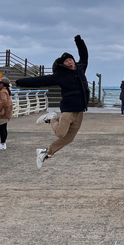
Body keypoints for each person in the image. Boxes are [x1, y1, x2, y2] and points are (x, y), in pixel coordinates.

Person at [16, 35, 89, 169]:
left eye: (71, 59)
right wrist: (20, 82)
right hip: (69, 110)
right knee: (61, 133)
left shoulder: (80, 69)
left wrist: (79, 41)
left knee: (68, 138)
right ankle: (53, 118)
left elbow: (84, 55)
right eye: (66, 61)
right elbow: (40, 81)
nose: (70, 62)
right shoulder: (60, 76)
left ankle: (45, 152)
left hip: (80, 111)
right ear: (63, 64)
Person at [0, 77, 14, 150]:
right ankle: (3, 143)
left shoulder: (3, 91)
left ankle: (2, 143)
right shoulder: (6, 90)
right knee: (4, 128)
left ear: (2, 84)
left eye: (0, 83)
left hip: (2, 113)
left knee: (2, 128)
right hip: (5, 112)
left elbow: (3, 100)